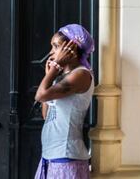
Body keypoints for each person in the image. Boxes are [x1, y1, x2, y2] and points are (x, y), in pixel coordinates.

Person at [34, 24, 94, 179]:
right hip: (51, 156)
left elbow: (40, 95)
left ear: (71, 48)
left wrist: (54, 68)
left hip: (67, 159)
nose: (51, 52)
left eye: (56, 46)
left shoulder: (80, 75)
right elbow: (46, 114)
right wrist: (51, 75)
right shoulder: (61, 77)